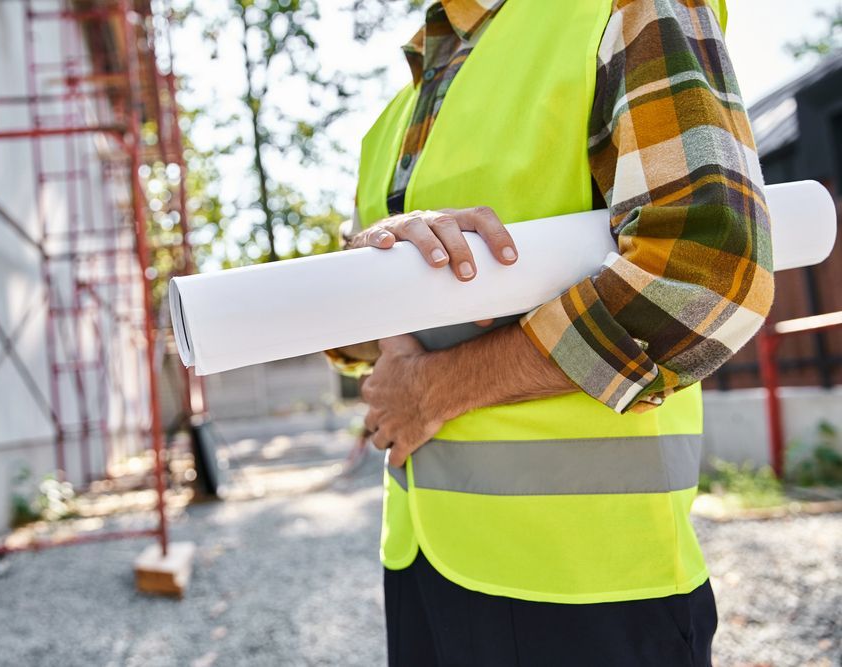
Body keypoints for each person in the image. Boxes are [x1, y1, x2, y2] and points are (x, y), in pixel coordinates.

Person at [325, 0, 773, 664]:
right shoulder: (395, 113)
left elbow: (706, 270)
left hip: (589, 582)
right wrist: (372, 264)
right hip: (420, 563)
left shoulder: (620, 10)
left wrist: (439, 387)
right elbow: (346, 333)